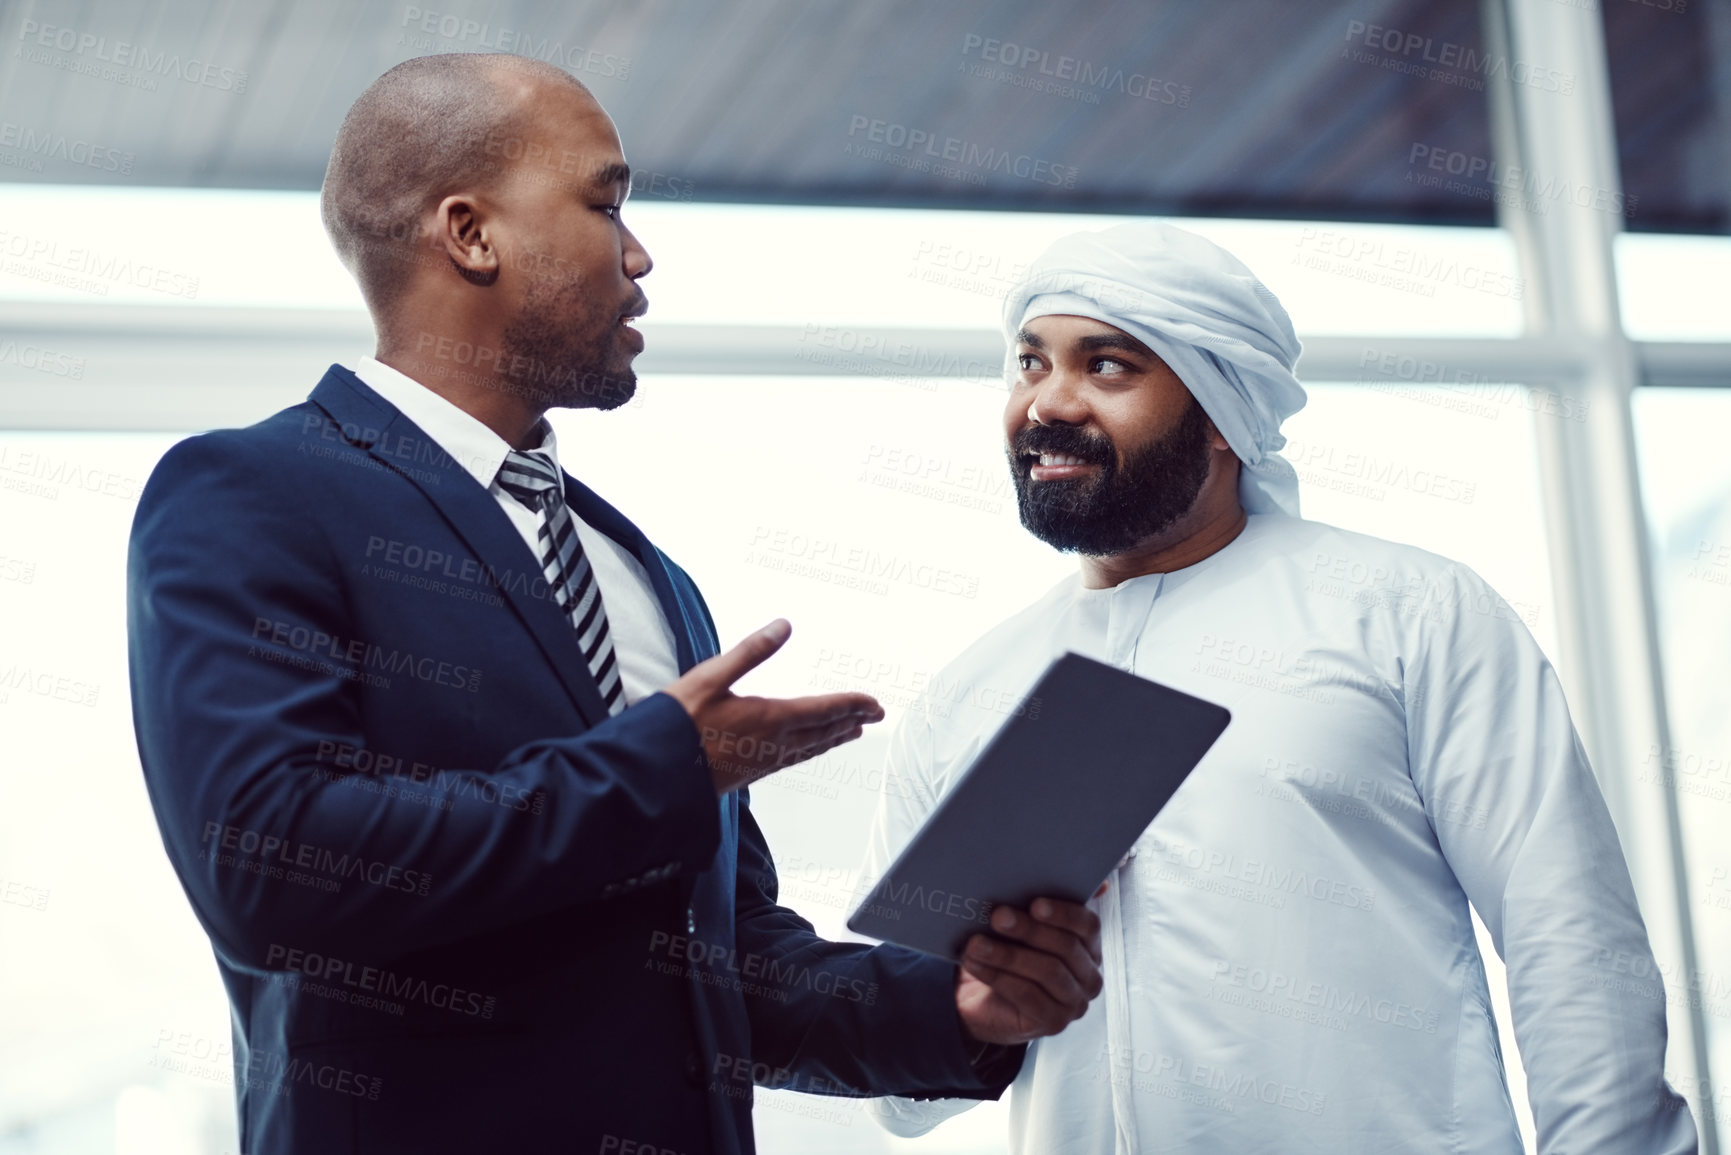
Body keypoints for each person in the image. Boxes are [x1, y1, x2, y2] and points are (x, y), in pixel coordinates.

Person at [126, 53, 1103, 1155]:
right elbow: (270, 867)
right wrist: (661, 769)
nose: (639, 257)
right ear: (471, 232)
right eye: (606, 204)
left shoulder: (646, 576)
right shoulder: (251, 493)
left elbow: (712, 962)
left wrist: (954, 1010)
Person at [864, 221, 1699, 1153]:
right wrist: (975, 1006)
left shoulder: (1406, 612)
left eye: (1106, 367)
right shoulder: (967, 693)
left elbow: (1572, 943)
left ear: (1221, 409)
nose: (1047, 402)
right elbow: (901, 1097)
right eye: (1029, 363)